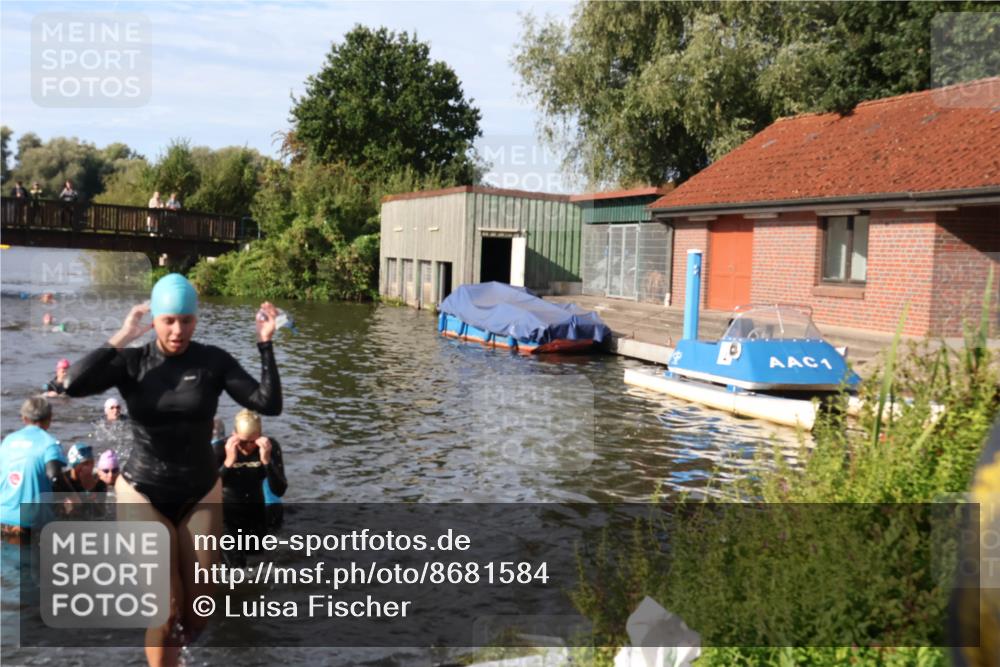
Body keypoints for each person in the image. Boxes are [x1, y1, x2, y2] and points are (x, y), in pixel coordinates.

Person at [64, 273, 282, 666]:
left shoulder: (212, 361)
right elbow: (70, 383)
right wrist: (122, 336)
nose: (177, 330)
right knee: (163, 609)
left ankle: (174, 656)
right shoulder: (133, 362)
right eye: (168, 320)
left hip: (199, 491)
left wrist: (265, 344)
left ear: (196, 320)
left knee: (199, 611)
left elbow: (267, 403)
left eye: (186, 320)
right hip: (143, 490)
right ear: (155, 320)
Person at [0, 398, 73, 542]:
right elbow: (54, 476)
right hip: (31, 523)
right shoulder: (50, 444)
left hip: (3, 517)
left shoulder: (7, 441)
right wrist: (72, 496)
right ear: (50, 418)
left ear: (23, 418)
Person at [215, 410, 287, 547]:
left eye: (253, 442)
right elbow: (207, 491)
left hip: (256, 513)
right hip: (227, 515)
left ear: (261, 436)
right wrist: (228, 463)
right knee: (233, 565)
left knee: (260, 564)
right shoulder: (219, 449)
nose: (248, 447)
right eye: (242, 442)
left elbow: (279, 490)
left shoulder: (269, 447)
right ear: (233, 434)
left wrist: (266, 461)